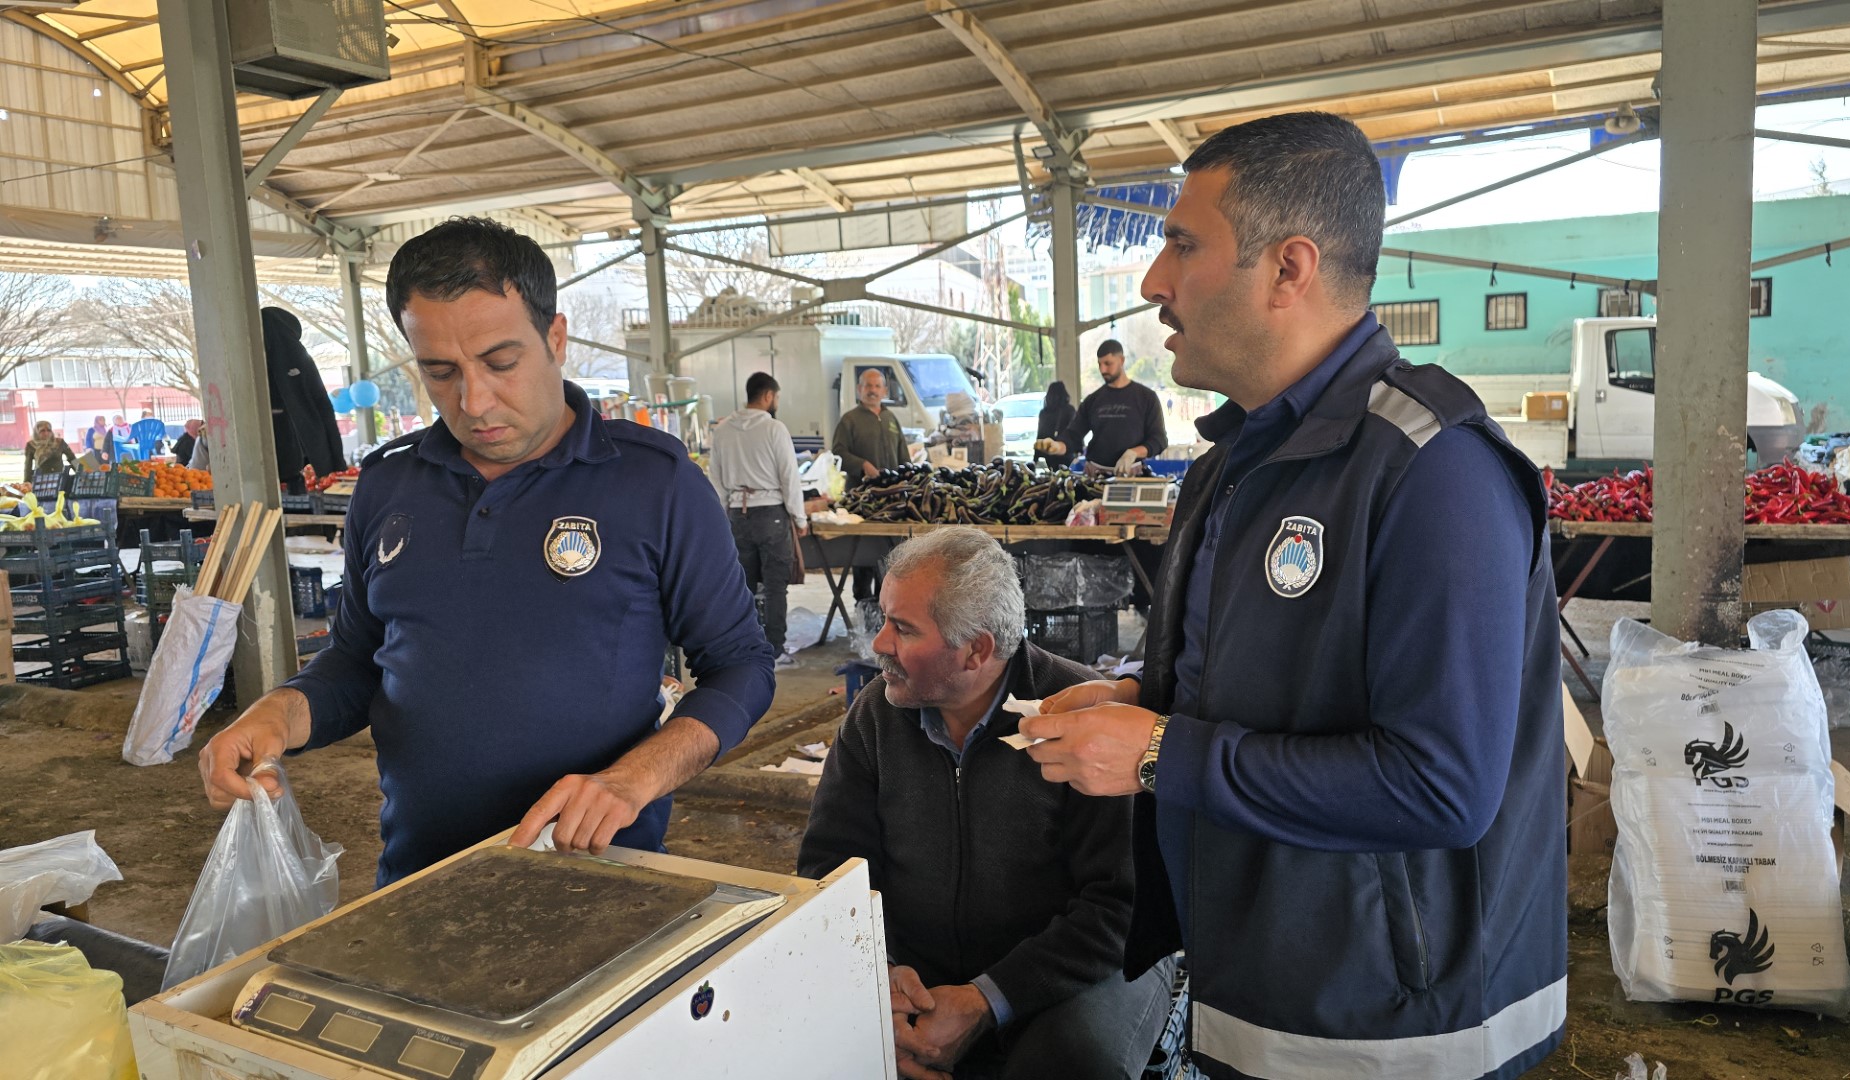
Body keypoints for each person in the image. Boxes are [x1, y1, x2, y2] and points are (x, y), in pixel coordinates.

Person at [1019, 113, 1567, 1080]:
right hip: (1258, 988)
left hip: (1393, 1028)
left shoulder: (1432, 472)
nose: (1153, 282)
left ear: (1288, 268)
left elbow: (1440, 785)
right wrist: (1149, 703)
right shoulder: (1231, 464)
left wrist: (1160, 753)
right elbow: (1274, 689)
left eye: (1182, 244)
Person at [198, 216, 776, 885]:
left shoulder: (653, 480)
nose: (474, 400)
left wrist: (633, 779)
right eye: (439, 372)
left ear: (555, 338)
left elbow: (742, 667)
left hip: (604, 879)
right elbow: (359, 662)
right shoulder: (389, 486)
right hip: (420, 882)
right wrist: (283, 711)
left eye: (502, 363)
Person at [798, 528, 1170, 1080]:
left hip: (1069, 973)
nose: (878, 644)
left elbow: (1121, 906)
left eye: (902, 628)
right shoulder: (875, 716)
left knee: (1072, 1061)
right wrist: (881, 974)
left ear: (978, 649)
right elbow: (832, 866)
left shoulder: (1081, 722)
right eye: (884, 620)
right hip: (919, 977)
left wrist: (986, 1000)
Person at [709, 371, 807, 664]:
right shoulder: (775, 429)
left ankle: (746, 648)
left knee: (744, 586)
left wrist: (724, 515)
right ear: (767, 396)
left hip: (738, 515)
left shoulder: (722, 431)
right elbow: (789, 476)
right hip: (772, 516)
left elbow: (715, 480)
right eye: (775, 396)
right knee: (776, 587)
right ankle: (775, 650)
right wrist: (799, 518)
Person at [834, 367, 911, 602]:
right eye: (868, 386)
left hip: (891, 503)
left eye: (877, 386)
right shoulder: (849, 420)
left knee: (888, 557)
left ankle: (885, 606)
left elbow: (903, 456)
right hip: (862, 502)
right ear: (859, 389)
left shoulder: (890, 418)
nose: (873, 391)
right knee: (864, 557)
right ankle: (862, 607)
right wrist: (862, 464)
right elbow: (837, 452)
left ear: (885, 390)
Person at [261, 307, 348, 491]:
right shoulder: (298, 357)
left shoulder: (258, 361)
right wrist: (336, 463)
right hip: (312, 460)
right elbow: (323, 407)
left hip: (281, 466)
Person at [1052, 341, 1167, 471]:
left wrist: (1133, 453)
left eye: (1108, 363)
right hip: (1095, 474)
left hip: (1131, 474)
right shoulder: (1092, 400)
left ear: (1121, 360)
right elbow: (1074, 434)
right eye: (1099, 364)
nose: (1102, 370)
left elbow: (1159, 440)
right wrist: (1057, 446)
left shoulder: (1147, 397)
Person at [1033, 381, 1075, 470]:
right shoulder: (1069, 410)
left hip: (1049, 453)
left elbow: (1040, 434)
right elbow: (1074, 432)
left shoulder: (1044, 413)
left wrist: (1035, 458)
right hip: (1065, 452)